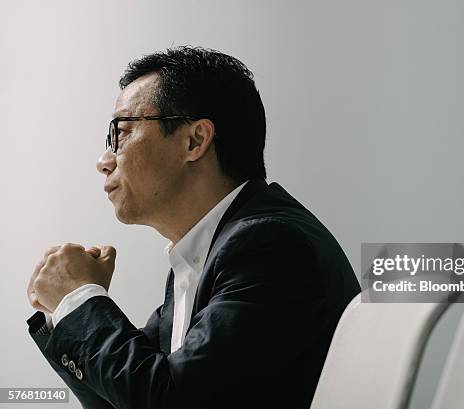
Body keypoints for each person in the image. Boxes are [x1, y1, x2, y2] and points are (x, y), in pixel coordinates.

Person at [26, 46, 360, 409]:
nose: (104, 162)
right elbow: (126, 399)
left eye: (120, 132)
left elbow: (171, 401)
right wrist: (66, 306)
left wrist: (80, 299)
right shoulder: (209, 251)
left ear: (195, 140)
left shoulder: (269, 246)